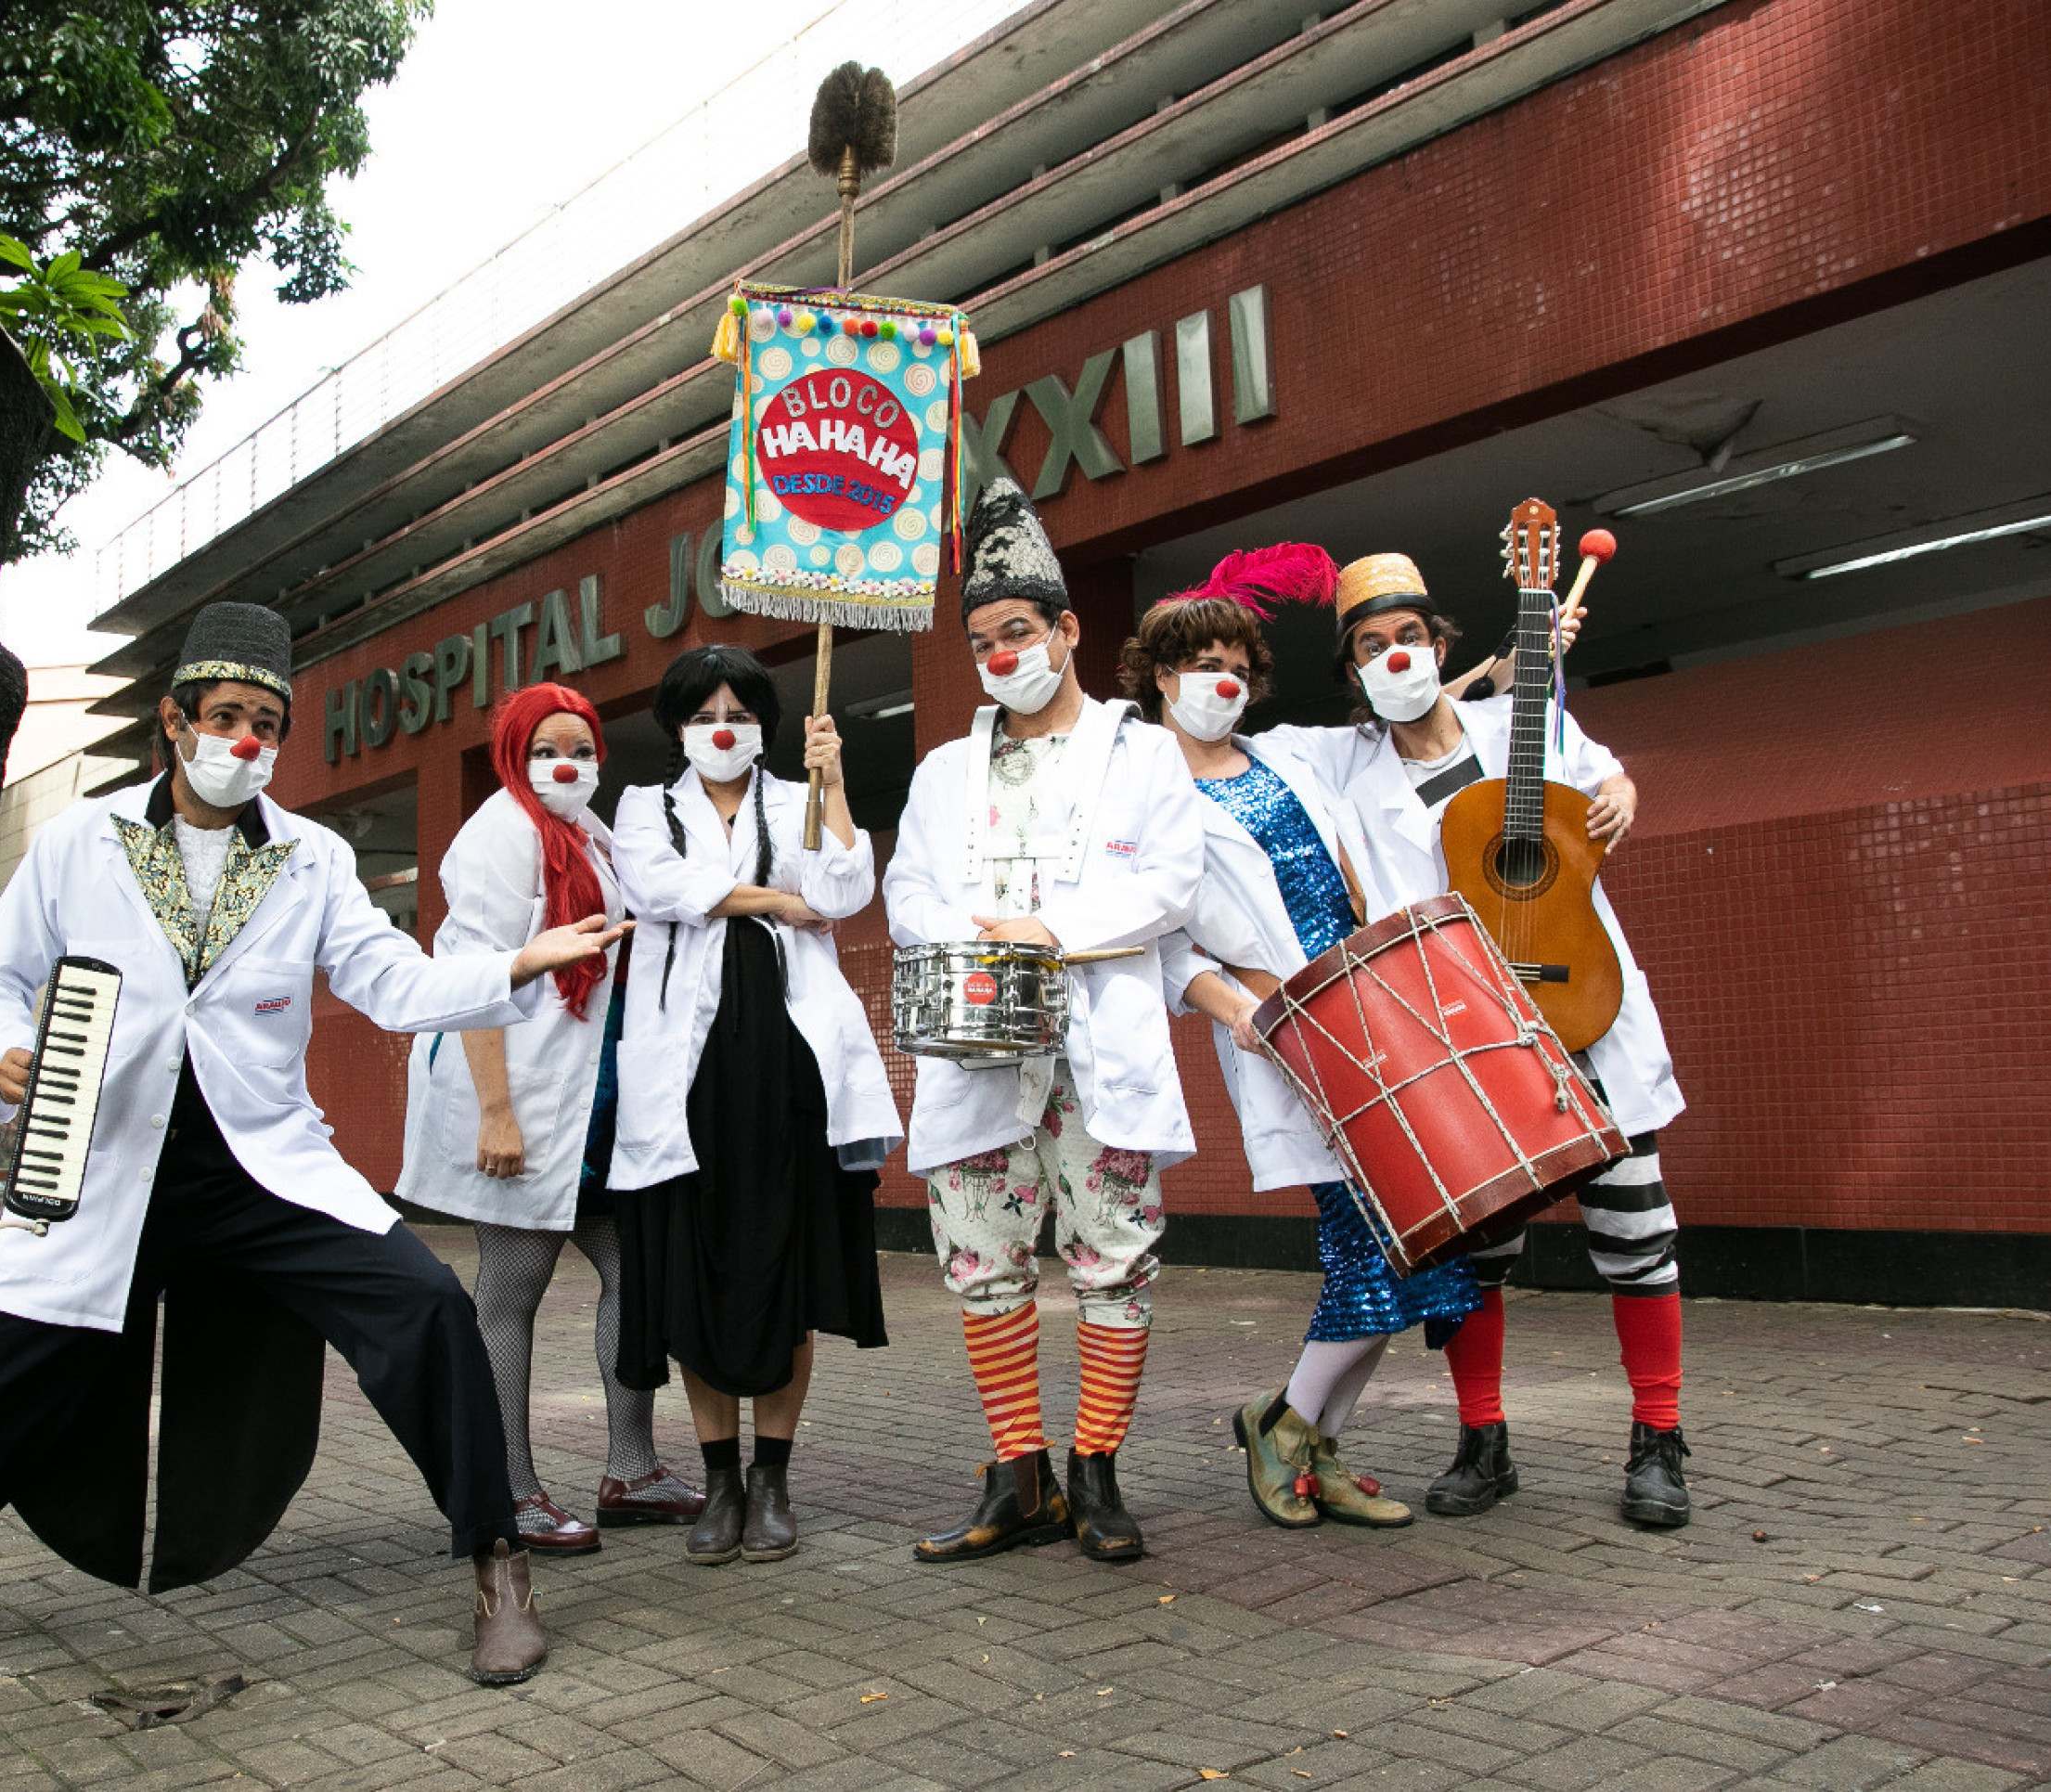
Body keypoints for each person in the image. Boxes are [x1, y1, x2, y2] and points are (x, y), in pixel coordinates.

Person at [0, 602, 627, 1685]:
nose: (246, 740)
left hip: (259, 1167)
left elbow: (391, 985)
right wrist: (10, 1045)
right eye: (225, 715)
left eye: (267, 722)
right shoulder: (81, 841)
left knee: (429, 1310)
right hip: (105, 1166)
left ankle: (499, 1563)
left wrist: (518, 963)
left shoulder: (311, 856)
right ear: (173, 719)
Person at [1254, 550, 1690, 1529]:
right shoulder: (1343, 764)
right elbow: (1245, 745)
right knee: (1478, 1250)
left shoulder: (1524, 725)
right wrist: (1474, 674)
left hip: (1585, 1010)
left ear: (1437, 639)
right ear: (1354, 673)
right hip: (1473, 1041)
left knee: (1636, 1236)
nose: (1393, 656)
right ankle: (1482, 1437)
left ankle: (1657, 1436)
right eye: (1371, 647)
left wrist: (1618, 790)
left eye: (1409, 637)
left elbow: (1601, 781)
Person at [883, 477, 1206, 1566]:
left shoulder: (1144, 752)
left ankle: (1096, 1470)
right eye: (981, 640)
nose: (1000, 654)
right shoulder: (940, 772)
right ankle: (1016, 1473)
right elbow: (910, 892)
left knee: (1112, 1254)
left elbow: (1170, 883)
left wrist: (1047, 929)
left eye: (1017, 631)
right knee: (980, 1255)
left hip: (1096, 1043)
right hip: (978, 1045)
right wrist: (975, 932)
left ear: (1067, 629)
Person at [1121, 548, 1479, 1530]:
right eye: (1200, 662)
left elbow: (1404, 718)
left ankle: (1300, 1437)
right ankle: (1286, 1430)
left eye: (1237, 660)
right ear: (1159, 674)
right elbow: (1157, 946)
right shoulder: (1134, 789)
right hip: (1286, 1032)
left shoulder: (1287, 752)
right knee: (1374, 1246)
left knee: (1419, 1241)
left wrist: (1497, 669)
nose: (1221, 680)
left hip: (1377, 1013)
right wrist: (1240, 1009)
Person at [608, 643, 899, 1567]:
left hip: (791, 1071)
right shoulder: (644, 807)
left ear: (766, 725)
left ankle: (771, 1478)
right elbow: (662, 888)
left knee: (787, 1269)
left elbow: (847, 891)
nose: (721, 728)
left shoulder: (793, 798)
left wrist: (834, 778)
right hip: (684, 1077)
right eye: (701, 714)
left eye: (737, 711)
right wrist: (780, 896)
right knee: (695, 1275)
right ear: (676, 726)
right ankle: (718, 1479)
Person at [399, 683, 703, 1553]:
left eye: (579, 744)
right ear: (513, 755)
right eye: (543, 748)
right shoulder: (501, 833)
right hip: (522, 1097)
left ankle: (631, 1468)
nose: (565, 762)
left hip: (590, 1099)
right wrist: (495, 1110)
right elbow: (474, 976)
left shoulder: (585, 831)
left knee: (632, 1271)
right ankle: (511, 1491)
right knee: (511, 1288)